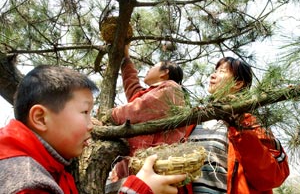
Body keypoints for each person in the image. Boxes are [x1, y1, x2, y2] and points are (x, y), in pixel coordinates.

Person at [0, 65, 186, 194]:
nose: (91, 125)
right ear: (41, 118)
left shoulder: (170, 88)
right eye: (85, 112)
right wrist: (139, 190)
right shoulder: (25, 183)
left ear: (165, 72)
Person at [181, 57, 290, 193]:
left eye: (222, 71)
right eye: (215, 70)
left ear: (238, 83)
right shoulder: (195, 120)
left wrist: (241, 129)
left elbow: (273, 177)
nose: (213, 75)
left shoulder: (251, 124)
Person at [102, 44, 194, 183]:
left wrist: (108, 116)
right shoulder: (154, 92)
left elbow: (139, 108)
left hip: (151, 169)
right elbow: (134, 89)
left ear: (165, 72)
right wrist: (126, 59)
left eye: (152, 67)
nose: (148, 70)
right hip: (137, 168)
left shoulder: (171, 89)